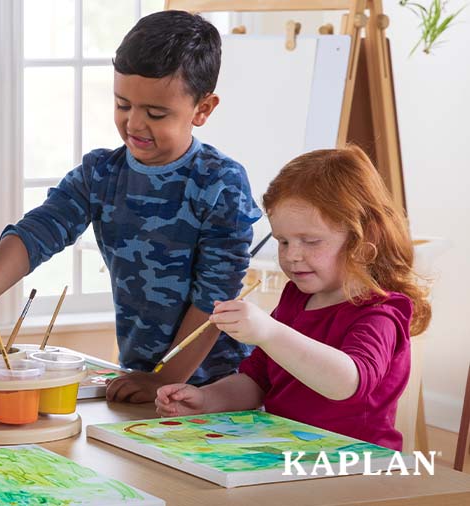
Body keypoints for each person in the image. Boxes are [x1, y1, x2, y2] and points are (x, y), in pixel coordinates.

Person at [0, 10, 260, 403]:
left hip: (217, 390)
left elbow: (216, 302)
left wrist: (164, 379)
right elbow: (39, 230)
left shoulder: (222, 183)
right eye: (123, 105)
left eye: (156, 113)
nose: (134, 124)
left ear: (203, 109)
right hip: (142, 378)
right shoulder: (100, 173)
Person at [155, 146, 431, 450]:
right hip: (285, 453)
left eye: (310, 241)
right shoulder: (295, 299)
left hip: (355, 463)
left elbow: (348, 383)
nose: (292, 256)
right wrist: (207, 398)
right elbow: (256, 381)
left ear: (363, 239)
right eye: (282, 241)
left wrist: (269, 332)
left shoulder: (381, 311)